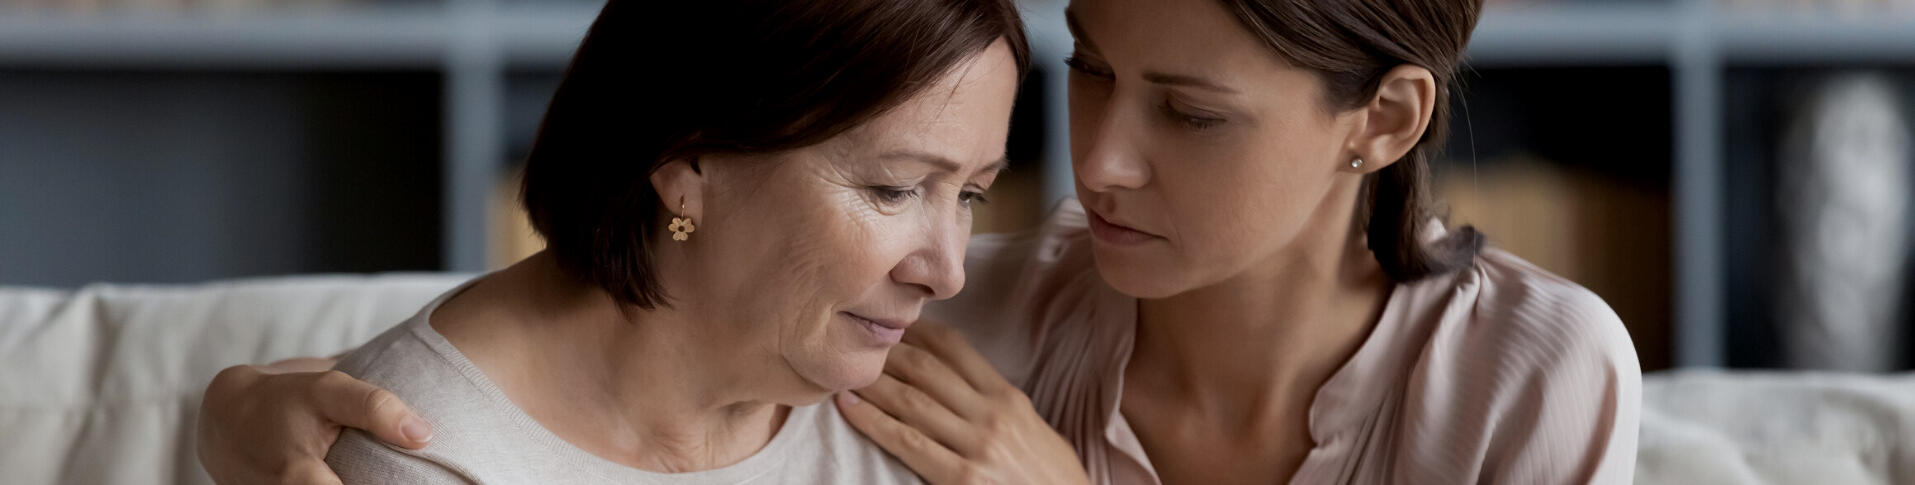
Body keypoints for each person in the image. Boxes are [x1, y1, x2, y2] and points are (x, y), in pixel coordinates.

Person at [199, 0, 1641, 483]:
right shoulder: (966, 322)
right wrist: (234, 402)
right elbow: (606, 331)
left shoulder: (1524, 374)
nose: (1103, 159)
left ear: (1380, 121)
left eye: (1189, 113)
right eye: (1090, 69)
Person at [190, 1, 1064, 483]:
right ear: (685, 166)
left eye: (972, 193)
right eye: (894, 188)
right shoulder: (424, 455)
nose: (946, 269)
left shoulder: (957, 412)